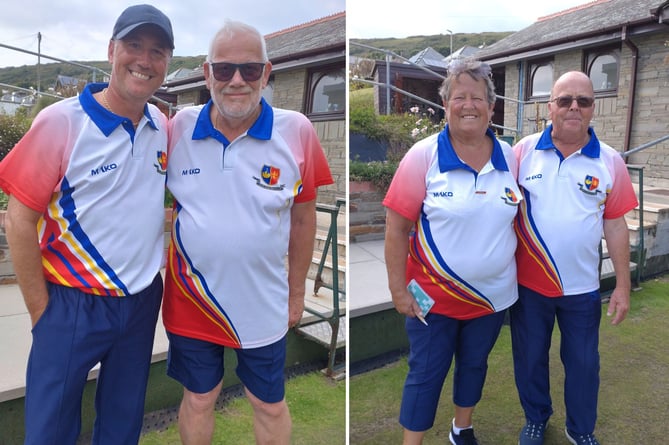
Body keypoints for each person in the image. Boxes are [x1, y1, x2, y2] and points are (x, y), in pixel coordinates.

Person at [0, 4, 174, 445]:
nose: (144, 60)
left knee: (121, 427)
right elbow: (18, 220)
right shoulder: (60, 122)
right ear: (111, 50)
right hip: (70, 302)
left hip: (139, 301)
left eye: (157, 51)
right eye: (133, 46)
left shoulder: (162, 125)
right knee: (50, 432)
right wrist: (42, 314)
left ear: (167, 63)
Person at [161, 19, 333, 445]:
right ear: (207, 74)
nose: (237, 80)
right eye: (224, 69)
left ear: (267, 73)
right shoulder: (177, 127)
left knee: (269, 404)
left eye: (250, 70)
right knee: (199, 399)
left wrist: (297, 294)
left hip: (263, 303)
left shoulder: (297, 131)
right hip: (192, 299)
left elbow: (304, 217)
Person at [383, 58, 521, 445]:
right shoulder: (422, 156)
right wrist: (397, 290)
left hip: (492, 297)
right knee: (425, 372)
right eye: (459, 97)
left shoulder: (511, 157)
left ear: (491, 108)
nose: (468, 105)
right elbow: (395, 228)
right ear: (445, 106)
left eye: (478, 97)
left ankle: (462, 429)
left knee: (474, 365)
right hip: (431, 298)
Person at [512, 71, 638, 445]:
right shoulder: (522, 152)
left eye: (583, 101)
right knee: (530, 359)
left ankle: (580, 428)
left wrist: (623, 288)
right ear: (549, 106)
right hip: (530, 286)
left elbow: (616, 227)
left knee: (584, 365)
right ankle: (536, 417)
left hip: (582, 288)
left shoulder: (610, 161)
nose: (573, 108)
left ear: (592, 108)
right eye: (565, 100)